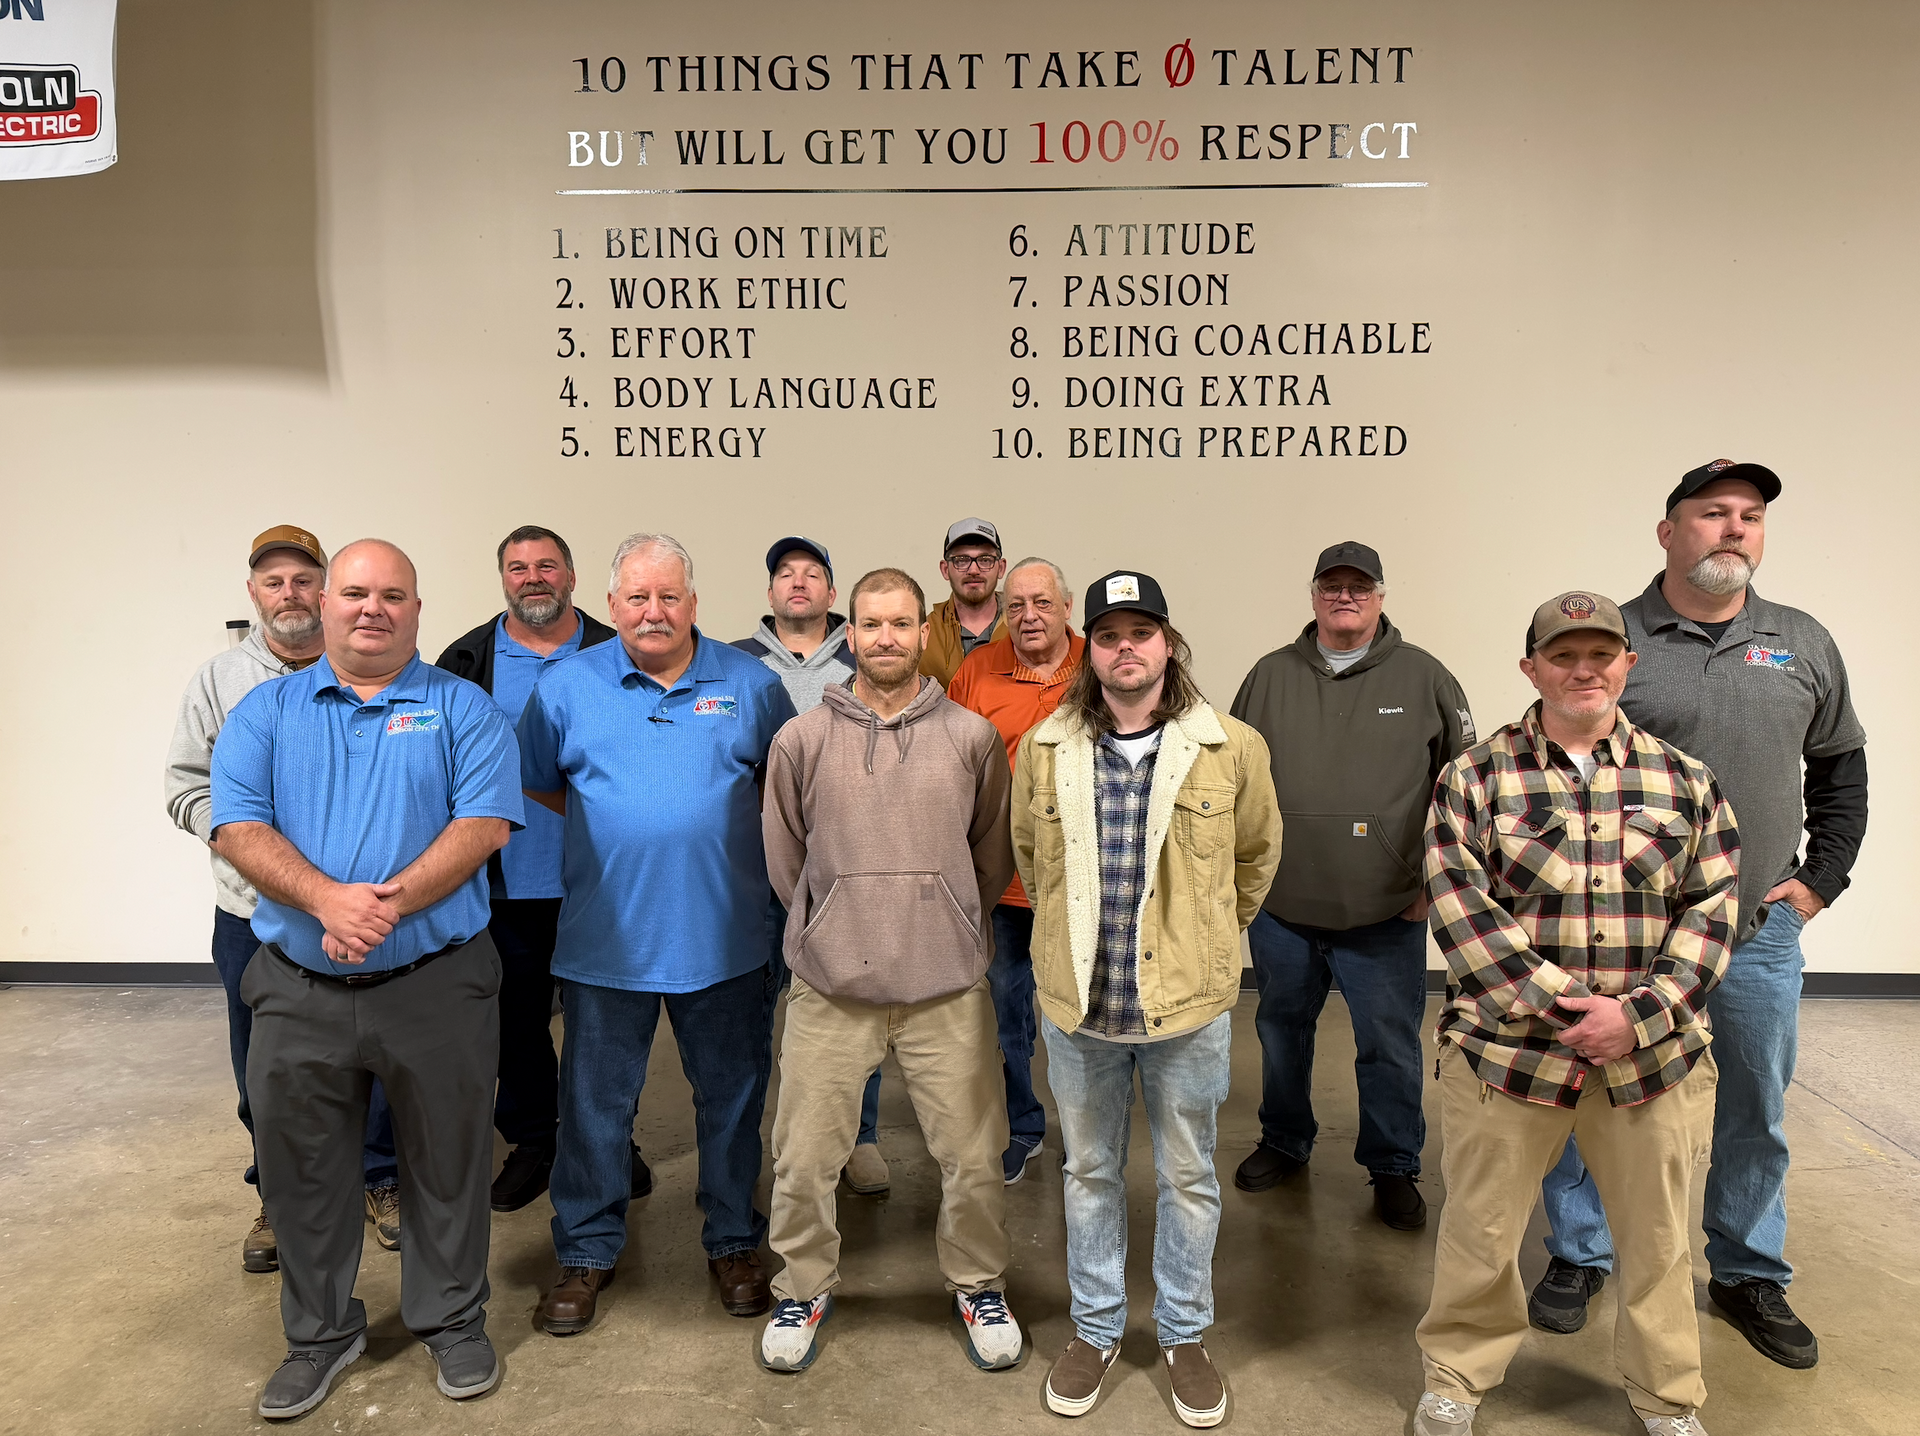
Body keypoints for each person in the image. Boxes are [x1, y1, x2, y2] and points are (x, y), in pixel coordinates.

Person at [1528, 461, 1867, 1370]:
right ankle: (1581, 1252)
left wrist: (1820, 880)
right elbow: (1557, 762)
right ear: (1668, 531)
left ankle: (1748, 1270)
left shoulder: (1800, 641)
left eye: (1750, 515)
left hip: (1755, 934)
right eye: (1713, 512)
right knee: (1596, 1090)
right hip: (1628, 939)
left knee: (1754, 1103)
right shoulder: (1614, 638)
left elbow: (1841, 766)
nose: (1734, 528)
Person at [1412, 590, 1737, 1436]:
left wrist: (1641, 1015)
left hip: (1651, 1060)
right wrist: (1568, 1011)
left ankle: (1668, 1397)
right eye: (1563, 655)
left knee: (1658, 1244)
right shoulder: (1475, 777)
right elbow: (1461, 908)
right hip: (1509, 1056)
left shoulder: (1685, 780)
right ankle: (1455, 1379)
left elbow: (1712, 910)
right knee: (1481, 1235)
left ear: (1629, 663)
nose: (1583, 670)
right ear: (1532, 668)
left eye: (1600, 654)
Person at [211, 539, 524, 1419]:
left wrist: (379, 907)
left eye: (393, 595)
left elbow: (485, 823)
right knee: (301, 1171)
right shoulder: (266, 712)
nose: (372, 608)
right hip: (297, 988)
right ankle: (319, 1334)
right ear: (326, 605)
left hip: (438, 983)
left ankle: (452, 1320)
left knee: (447, 1162)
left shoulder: (463, 708)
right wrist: (325, 901)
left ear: (417, 610)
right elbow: (236, 825)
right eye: (355, 593)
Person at [1012, 571, 1280, 1428]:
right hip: (1081, 1009)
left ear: (1169, 644)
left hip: (1188, 1012)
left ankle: (1183, 1333)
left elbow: (1255, 860)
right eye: (1108, 635)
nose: (1125, 648)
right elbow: (1032, 862)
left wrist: (1206, 944)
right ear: (1088, 651)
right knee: (1089, 1172)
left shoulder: (1230, 747)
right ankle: (1094, 1329)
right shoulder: (1046, 747)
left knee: (1189, 1176)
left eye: (1141, 632)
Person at [520, 533, 798, 1335]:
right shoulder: (565, 687)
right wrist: (628, 824)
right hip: (605, 943)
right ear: (611, 606)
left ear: (693, 603)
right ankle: (585, 1249)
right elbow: (542, 782)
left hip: (726, 940)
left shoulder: (752, 686)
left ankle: (734, 1240)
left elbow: (781, 788)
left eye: (668, 596)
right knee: (595, 1107)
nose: (653, 611)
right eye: (637, 597)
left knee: (733, 1100)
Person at [758, 567, 1022, 1375]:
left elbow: (990, 857)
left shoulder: (971, 738)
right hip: (832, 987)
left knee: (974, 1155)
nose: (885, 638)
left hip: (946, 989)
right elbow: (787, 861)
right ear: (851, 634)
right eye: (870, 624)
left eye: (901, 623)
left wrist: (947, 921)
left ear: (922, 632)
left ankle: (978, 1285)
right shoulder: (802, 740)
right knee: (804, 1156)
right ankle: (802, 1287)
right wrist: (834, 922)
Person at [165, 525, 401, 1272]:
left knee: (378, 1057)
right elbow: (185, 786)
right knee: (265, 1068)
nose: (290, 594)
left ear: (325, 593)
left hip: (366, 911)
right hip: (253, 915)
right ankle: (278, 1192)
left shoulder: (369, 668)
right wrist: (245, 838)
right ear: (253, 593)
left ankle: (380, 1178)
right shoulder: (220, 681)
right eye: (274, 582)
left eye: (304, 580)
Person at [1229, 541, 1474, 1229]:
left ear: (1381, 597)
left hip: (1386, 907)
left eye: (1359, 586)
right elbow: (1232, 781)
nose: (1345, 596)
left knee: (1388, 1044)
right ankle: (1284, 1139)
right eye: (1331, 585)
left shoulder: (1425, 677)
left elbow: (1462, 791)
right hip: (1282, 905)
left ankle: (1394, 1164)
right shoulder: (1269, 676)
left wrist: (1432, 886)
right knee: (1280, 1031)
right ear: (1313, 596)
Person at [434, 525, 633, 1215]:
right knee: (514, 1024)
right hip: (504, 882)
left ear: (572, 576)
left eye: (547, 565)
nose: (533, 578)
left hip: (601, 879)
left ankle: (609, 1140)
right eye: (518, 568)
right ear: (503, 581)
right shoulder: (466, 659)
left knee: (606, 1025)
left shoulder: (616, 648)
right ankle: (535, 1141)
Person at [731, 536, 891, 1196]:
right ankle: (758, 1140)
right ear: (770, 591)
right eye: (785, 574)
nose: (798, 583)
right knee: (752, 1012)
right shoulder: (734, 664)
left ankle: (859, 1137)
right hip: (756, 868)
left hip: (847, 866)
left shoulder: (866, 656)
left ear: (831, 592)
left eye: (812, 573)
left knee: (855, 1002)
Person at [947, 557, 1085, 1183]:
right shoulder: (977, 671)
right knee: (1005, 1013)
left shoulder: (1098, 665)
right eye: (1016, 605)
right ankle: (1020, 1124)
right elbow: (949, 764)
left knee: (1080, 1016)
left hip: (1081, 884)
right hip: (1002, 884)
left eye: (1042, 603)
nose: (1029, 616)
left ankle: (1086, 1131)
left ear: (1067, 608)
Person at [920, 517, 1006, 687]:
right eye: (961, 560)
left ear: (1001, 568)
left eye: (985, 560)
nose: (973, 570)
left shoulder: (1023, 625)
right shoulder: (925, 634)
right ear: (945, 569)